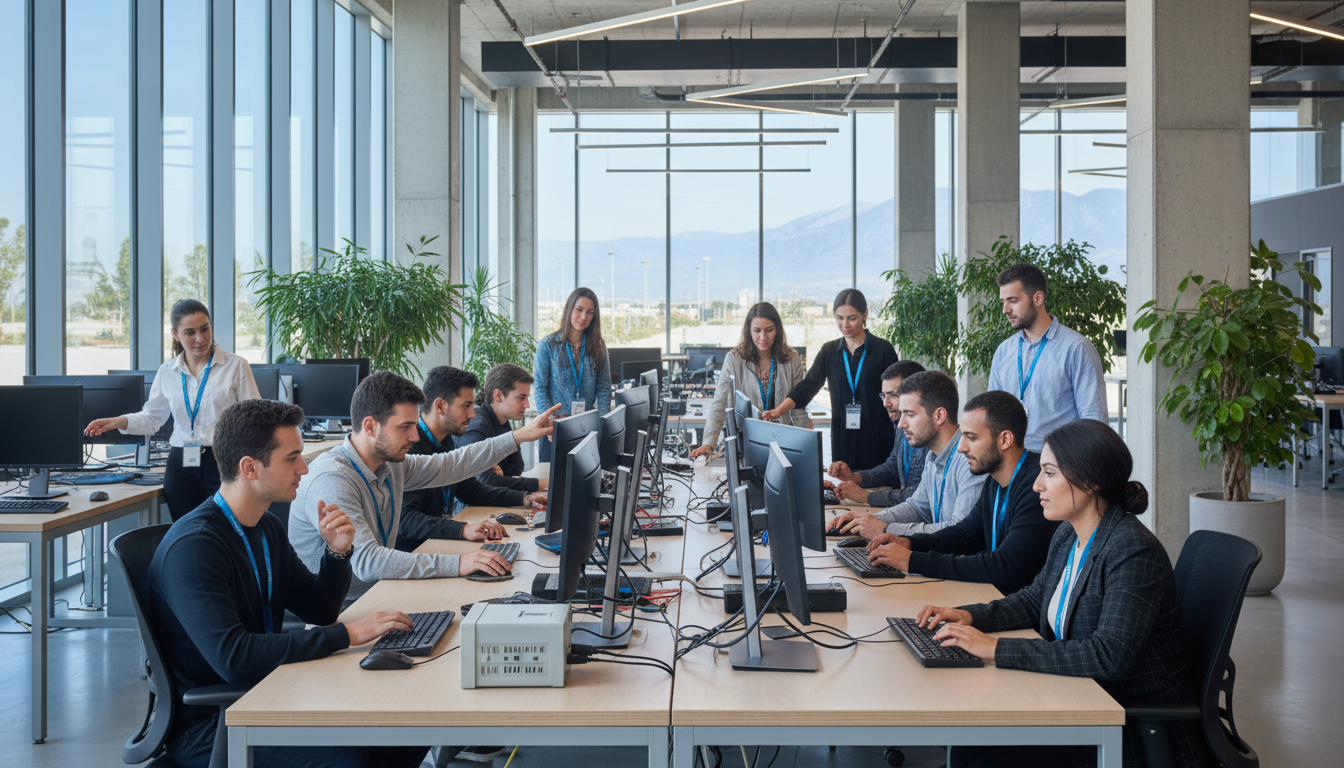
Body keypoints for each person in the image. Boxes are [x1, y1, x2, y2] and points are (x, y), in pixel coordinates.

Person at [149, 399, 427, 768]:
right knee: (357, 761)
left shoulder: (265, 526)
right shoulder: (196, 547)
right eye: (291, 458)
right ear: (249, 468)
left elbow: (318, 609)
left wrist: (337, 554)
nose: (304, 467)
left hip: (269, 690)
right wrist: (347, 634)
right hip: (213, 723)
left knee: (410, 731)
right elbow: (235, 657)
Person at [918, 420, 1209, 768]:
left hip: (1120, 724)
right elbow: (1033, 599)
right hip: (1076, 699)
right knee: (966, 746)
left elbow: (1107, 655)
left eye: (1050, 473)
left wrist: (995, 648)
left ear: (1091, 481)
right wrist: (969, 615)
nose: (1037, 484)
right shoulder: (1069, 535)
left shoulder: (1132, 551)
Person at [288, 371, 561, 602]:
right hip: (346, 610)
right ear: (370, 426)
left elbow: (452, 465)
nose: (414, 436)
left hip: (383, 592)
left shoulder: (390, 464)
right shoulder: (333, 479)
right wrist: (459, 563)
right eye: (405, 427)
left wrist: (519, 436)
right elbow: (367, 561)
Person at [864, 391, 1059, 595]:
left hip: (1023, 618)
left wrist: (914, 561)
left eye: (971, 437)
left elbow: (1005, 567)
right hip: (995, 597)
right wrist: (909, 542)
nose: (961, 448)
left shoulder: (1037, 487)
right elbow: (966, 534)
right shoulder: (995, 479)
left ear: (1005, 440)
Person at [85, 298, 262, 521]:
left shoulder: (235, 365)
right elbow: (152, 418)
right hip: (181, 464)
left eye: (205, 329)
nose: (200, 338)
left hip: (224, 460)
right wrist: (120, 421)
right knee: (185, 533)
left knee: (225, 532)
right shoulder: (167, 371)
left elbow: (255, 418)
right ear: (175, 335)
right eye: (190, 332)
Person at [399, 366, 547, 553]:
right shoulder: (410, 447)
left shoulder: (445, 439)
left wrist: (523, 498)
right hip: (414, 553)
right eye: (466, 406)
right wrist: (463, 529)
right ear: (440, 406)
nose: (472, 414)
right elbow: (406, 520)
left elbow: (469, 490)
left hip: (436, 544)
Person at [829, 371, 986, 540]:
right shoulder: (933, 456)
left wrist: (886, 529)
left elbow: (959, 531)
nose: (901, 424)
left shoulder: (971, 460)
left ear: (939, 416)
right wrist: (869, 520)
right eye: (902, 414)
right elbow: (917, 507)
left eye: (910, 415)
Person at [762, 289, 898, 471]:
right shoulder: (829, 351)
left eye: (852, 318)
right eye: (839, 318)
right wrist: (778, 411)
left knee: (877, 489)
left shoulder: (883, 350)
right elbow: (808, 386)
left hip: (877, 437)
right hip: (843, 439)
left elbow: (898, 392)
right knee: (845, 492)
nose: (845, 325)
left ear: (865, 315)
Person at [987, 263, 1107, 452]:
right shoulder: (1004, 351)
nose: (1005, 310)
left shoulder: (1076, 348)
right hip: (1012, 464)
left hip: (1059, 464)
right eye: (1003, 301)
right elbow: (993, 415)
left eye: (1013, 300)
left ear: (1038, 298)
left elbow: (1093, 418)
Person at [689, 302, 810, 461]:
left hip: (783, 444)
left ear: (778, 330)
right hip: (747, 444)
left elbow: (798, 406)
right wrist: (709, 443)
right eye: (757, 331)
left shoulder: (791, 359)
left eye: (769, 330)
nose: (763, 337)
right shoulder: (734, 359)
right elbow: (720, 402)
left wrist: (807, 446)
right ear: (749, 331)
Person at [825, 360, 929, 506]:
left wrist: (866, 497)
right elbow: (892, 469)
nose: (885, 403)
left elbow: (920, 495)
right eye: (884, 395)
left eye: (893, 395)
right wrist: (855, 478)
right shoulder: (902, 425)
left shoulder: (929, 435)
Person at [533, 287, 613, 462]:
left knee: (585, 482)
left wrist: (603, 427)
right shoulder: (547, 345)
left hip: (587, 429)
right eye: (579, 310)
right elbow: (540, 389)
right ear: (569, 309)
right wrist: (549, 423)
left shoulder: (598, 345)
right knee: (553, 485)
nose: (584, 317)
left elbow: (604, 388)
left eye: (590, 312)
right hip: (556, 430)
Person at [459, 363, 548, 493]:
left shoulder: (503, 420)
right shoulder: (475, 427)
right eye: (521, 398)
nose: (527, 405)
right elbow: (484, 482)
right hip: (471, 509)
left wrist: (499, 476)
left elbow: (517, 466)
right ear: (498, 396)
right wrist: (539, 484)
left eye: (527, 398)